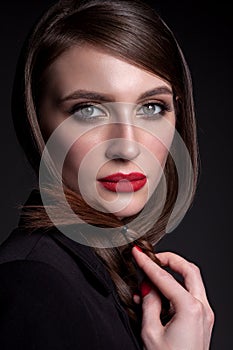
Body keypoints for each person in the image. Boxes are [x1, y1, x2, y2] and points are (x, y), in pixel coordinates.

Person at [0, 0, 214, 349]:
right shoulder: (32, 286)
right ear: (36, 123)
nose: (128, 147)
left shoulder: (105, 275)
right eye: (88, 110)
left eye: (151, 107)